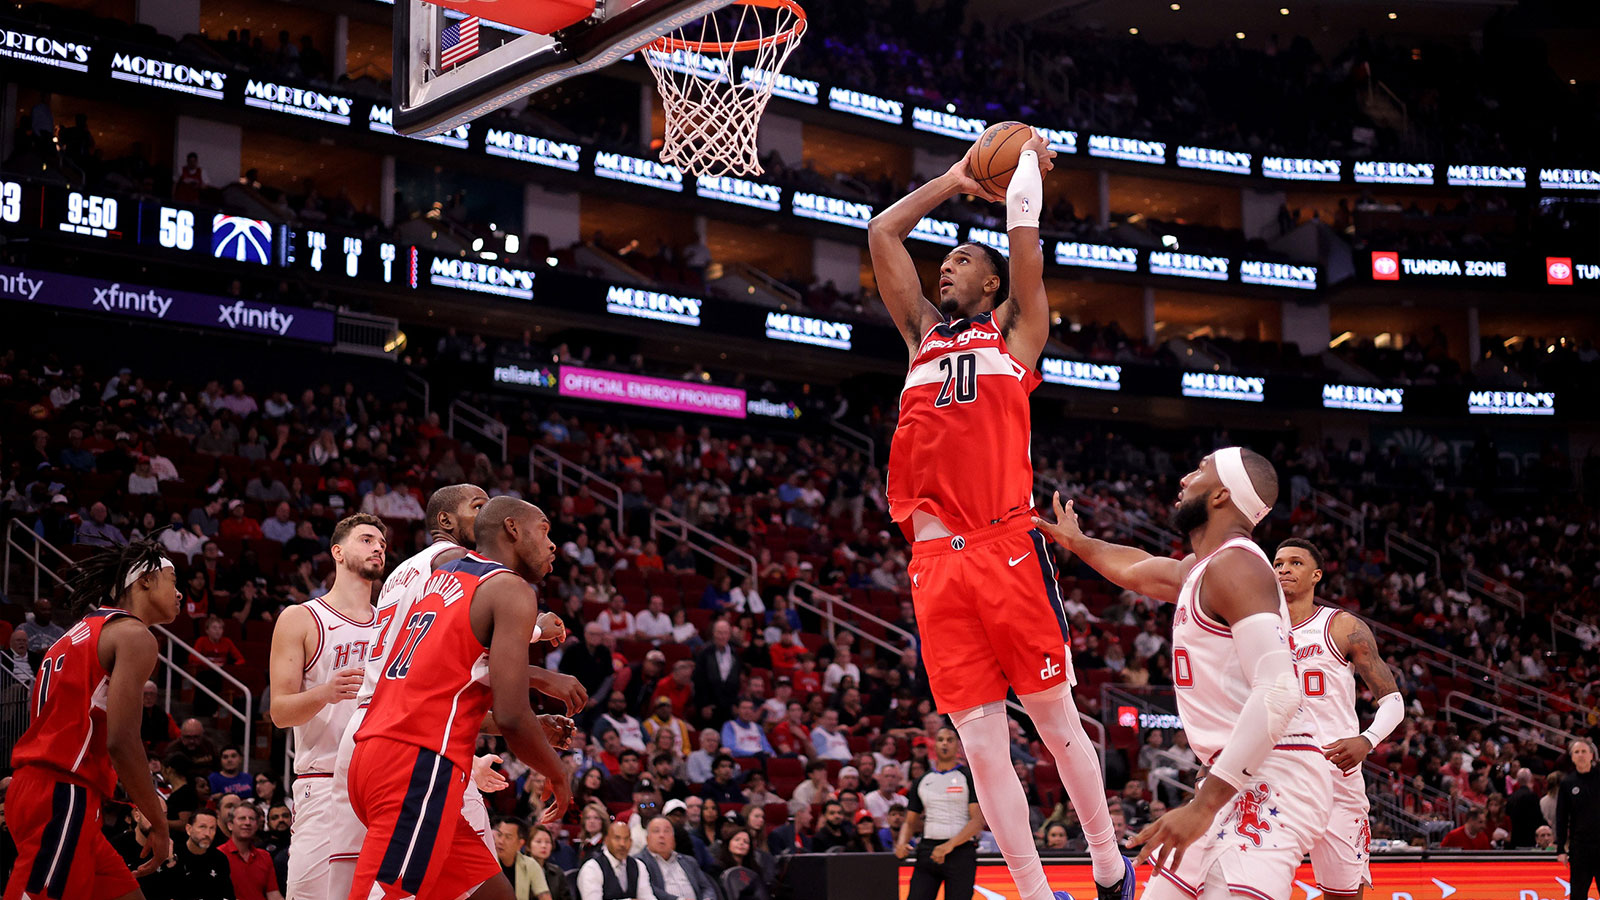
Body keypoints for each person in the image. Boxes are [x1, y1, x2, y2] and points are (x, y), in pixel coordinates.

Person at [868, 128, 1129, 900]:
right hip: (935, 565)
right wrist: (954, 177)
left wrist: (1017, 164)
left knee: (1055, 722)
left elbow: (1023, 231)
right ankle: (1034, 893)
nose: (947, 264)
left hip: (1006, 546)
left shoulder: (1015, 331)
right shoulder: (919, 336)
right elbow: (883, 230)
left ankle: (1110, 869)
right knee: (982, 749)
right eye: (944, 259)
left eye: (963, 261)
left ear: (991, 286)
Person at [1033, 448, 1330, 900]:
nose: (1184, 478)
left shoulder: (1239, 565)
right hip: (1229, 776)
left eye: (1199, 470)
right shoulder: (1204, 569)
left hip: (1276, 775)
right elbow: (1134, 569)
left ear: (1221, 494)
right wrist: (1078, 542)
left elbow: (1279, 692)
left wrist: (1203, 807)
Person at [347, 496, 575, 900]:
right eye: (544, 529)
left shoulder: (443, 574)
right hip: (417, 763)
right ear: (512, 529)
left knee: (492, 894)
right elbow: (511, 716)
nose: (552, 543)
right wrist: (557, 773)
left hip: (373, 751)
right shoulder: (509, 588)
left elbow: (452, 684)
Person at [2, 536, 178, 900]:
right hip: (62, 793)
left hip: (43, 790)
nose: (180, 594)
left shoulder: (78, 632)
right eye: (173, 581)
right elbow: (122, 740)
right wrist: (159, 823)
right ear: (144, 580)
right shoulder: (134, 635)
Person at [1277, 538, 1404, 900]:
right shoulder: (1257, 627)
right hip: (1276, 772)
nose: (1284, 568)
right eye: (1279, 563)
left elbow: (1393, 701)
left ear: (1317, 575)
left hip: (1334, 773)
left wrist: (1367, 740)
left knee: (1344, 894)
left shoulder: (1342, 626)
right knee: (1253, 886)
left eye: (1296, 563)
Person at [269, 513, 387, 900]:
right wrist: (326, 691)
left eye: (382, 544)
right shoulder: (301, 618)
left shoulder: (395, 626)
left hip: (382, 786)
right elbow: (280, 712)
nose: (377, 548)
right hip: (322, 783)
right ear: (337, 552)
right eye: (367, 540)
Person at [897, 726, 985, 900]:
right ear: (934, 746)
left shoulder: (968, 777)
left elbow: (977, 822)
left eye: (950, 740)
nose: (945, 744)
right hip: (928, 850)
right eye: (940, 740)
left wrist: (948, 846)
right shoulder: (921, 780)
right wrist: (901, 843)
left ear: (958, 745)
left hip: (960, 852)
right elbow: (910, 821)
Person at [1557, 739, 1600, 899]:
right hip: (1580, 848)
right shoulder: (1568, 783)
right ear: (1572, 757)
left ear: (1591, 755)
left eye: (1583, 751)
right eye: (1576, 752)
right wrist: (1561, 848)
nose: (1580, 755)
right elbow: (1561, 817)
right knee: (1578, 894)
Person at [638, 815, 716, 900]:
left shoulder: (689, 861)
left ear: (673, 838)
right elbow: (649, 891)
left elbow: (706, 887)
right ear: (647, 838)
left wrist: (707, 898)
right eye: (656, 831)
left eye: (666, 831)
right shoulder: (640, 862)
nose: (662, 835)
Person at [577, 820, 656, 900]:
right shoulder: (592, 868)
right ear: (606, 840)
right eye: (617, 838)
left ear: (631, 842)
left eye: (626, 839)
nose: (622, 844)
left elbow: (647, 897)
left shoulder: (638, 865)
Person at [220, 804, 282, 900]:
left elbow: (273, 894)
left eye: (251, 819)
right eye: (242, 818)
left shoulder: (265, 856)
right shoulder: (218, 855)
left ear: (257, 826)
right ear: (230, 825)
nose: (247, 822)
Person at [174, 809, 236, 899]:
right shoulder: (174, 856)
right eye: (202, 827)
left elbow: (228, 895)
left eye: (212, 828)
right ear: (189, 829)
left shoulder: (219, 859)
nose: (207, 834)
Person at [493, 816, 543, 900]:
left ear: (520, 844)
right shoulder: (486, 862)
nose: (500, 841)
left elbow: (544, 895)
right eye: (499, 835)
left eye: (508, 837)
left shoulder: (531, 864)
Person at [527, 823, 574, 900]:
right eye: (538, 841)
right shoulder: (520, 869)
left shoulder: (557, 872)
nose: (544, 846)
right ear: (528, 845)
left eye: (548, 842)